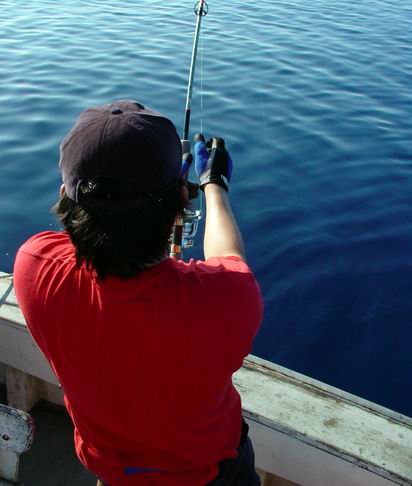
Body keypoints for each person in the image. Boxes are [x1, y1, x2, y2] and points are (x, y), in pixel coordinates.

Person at [13, 100, 264, 485]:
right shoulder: (229, 302)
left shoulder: (34, 266)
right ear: (183, 198)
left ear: (65, 193)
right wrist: (214, 185)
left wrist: (145, 199)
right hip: (209, 476)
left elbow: (83, 239)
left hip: (112, 472)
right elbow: (229, 258)